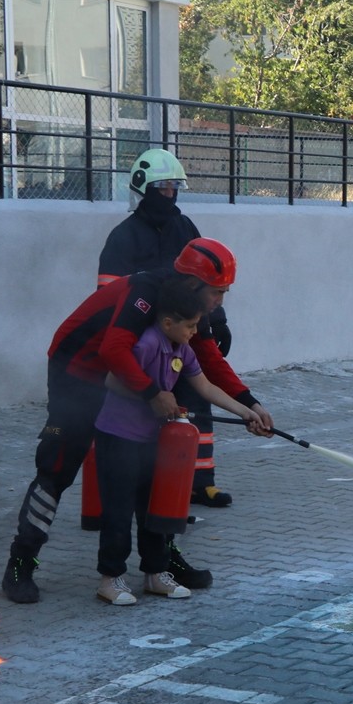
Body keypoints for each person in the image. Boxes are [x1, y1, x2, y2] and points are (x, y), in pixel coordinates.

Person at [2, 238, 274, 604]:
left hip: (126, 383)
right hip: (77, 372)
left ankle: (160, 560)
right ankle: (21, 561)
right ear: (194, 284)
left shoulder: (189, 308)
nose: (220, 301)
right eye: (218, 292)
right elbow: (112, 349)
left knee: (155, 475)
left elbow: (207, 359)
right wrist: (153, 394)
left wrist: (249, 404)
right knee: (57, 466)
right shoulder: (145, 291)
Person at [94, 279, 261, 605]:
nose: (195, 332)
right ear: (168, 322)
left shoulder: (182, 349)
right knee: (118, 511)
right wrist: (154, 398)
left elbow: (206, 387)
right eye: (190, 326)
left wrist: (248, 412)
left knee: (153, 510)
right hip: (118, 438)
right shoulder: (147, 345)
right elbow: (112, 380)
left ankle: (155, 574)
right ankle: (110, 578)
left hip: (151, 442)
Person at [99, 149, 235, 509]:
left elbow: (207, 278)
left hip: (185, 333)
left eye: (175, 186)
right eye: (163, 187)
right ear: (143, 187)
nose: (170, 194)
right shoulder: (123, 237)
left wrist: (215, 321)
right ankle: (163, 491)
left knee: (197, 403)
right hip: (144, 340)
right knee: (157, 409)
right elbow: (109, 295)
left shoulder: (185, 226)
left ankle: (201, 481)